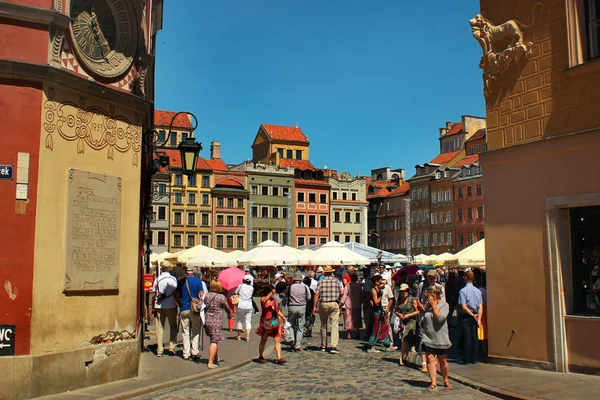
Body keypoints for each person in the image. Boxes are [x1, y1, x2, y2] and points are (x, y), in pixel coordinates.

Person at [420, 285, 452, 392]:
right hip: (428, 337)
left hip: (440, 337)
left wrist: (434, 307)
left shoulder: (444, 305)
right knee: (430, 358)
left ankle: (446, 379)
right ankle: (433, 382)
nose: (426, 296)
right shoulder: (427, 305)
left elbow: (439, 319)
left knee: (442, 359)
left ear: (434, 295)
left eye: (428, 294)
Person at [416, 269, 445, 371]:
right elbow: (417, 299)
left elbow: (443, 302)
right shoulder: (422, 285)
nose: (431, 279)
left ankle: (433, 360)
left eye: (433, 277)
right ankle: (424, 363)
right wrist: (421, 305)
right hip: (424, 315)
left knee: (434, 337)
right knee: (423, 338)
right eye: (429, 277)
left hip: (434, 315)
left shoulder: (440, 287)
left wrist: (434, 305)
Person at [176, 266, 205, 360]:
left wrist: (180, 304)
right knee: (196, 330)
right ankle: (195, 351)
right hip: (195, 309)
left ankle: (186, 353)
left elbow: (176, 294)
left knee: (185, 332)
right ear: (193, 271)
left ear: (185, 272)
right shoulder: (198, 281)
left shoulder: (181, 281)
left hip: (184, 308)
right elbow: (201, 294)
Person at [202, 280, 233, 369]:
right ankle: (210, 362)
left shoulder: (206, 295)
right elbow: (227, 307)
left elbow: (199, 305)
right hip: (216, 321)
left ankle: (215, 358)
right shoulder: (221, 297)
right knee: (214, 341)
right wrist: (230, 315)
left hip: (207, 320)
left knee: (213, 338)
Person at [313, 266, 343, 354]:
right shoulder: (337, 281)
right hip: (334, 303)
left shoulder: (321, 281)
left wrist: (314, 306)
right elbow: (342, 292)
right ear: (332, 273)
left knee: (323, 324)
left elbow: (316, 294)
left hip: (323, 303)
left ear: (324, 273)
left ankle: (323, 345)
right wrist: (338, 298)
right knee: (334, 325)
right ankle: (333, 345)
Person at [256, 286, 288, 364]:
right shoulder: (263, 299)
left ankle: (279, 357)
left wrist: (283, 317)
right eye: (272, 292)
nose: (274, 294)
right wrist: (271, 293)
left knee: (277, 339)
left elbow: (277, 310)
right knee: (264, 340)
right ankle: (260, 356)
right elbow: (263, 302)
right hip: (266, 322)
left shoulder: (275, 300)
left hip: (274, 321)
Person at [152, 261, 178, 357]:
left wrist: (153, 307)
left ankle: (160, 349)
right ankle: (172, 347)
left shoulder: (157, 279)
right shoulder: (173, 279)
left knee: (160, 327)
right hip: (171, 305)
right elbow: (176, 293)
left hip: (159, 305)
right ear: (170, 269)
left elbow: (153, 293)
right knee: (173, 326)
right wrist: (178, 304)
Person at [458, 270, 483, 365]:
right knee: (474, 337)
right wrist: (479, 319)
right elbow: (480, 306)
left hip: (466, 315)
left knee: (467, 337)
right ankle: (474, 358)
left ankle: (466, 358)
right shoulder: (478, 291)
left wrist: (472, 315)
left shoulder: (463, 291)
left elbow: (464, 307)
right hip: (476, 315)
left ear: (465, 278)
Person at [367, 275, 393, 353]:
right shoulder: (374, 290)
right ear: (376, 282)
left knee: (384, 328)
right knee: (376, 329)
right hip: (376, 312)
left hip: (380, 311)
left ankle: (387, 344)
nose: (381, 282)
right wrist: (381, 295)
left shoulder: (378, 289)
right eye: (379, 281)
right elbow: (376, 302)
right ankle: (371, 346)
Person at [286, 273, 311, 351]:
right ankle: (298, 345)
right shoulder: (305, 286)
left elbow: (286, 296)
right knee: (300, 327)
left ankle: (292, 339)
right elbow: (309, 297)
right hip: (301, 307)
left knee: (290, 324)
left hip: (292, 306)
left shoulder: (290, 287)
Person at [395, 283, 418, 366]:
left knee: (404, 339)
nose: (403, 293)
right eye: (401, 291)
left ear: (408, 291)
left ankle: (401, 357)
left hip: (411, 321)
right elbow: (396, 310)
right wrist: (399, 315)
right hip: (402, 322)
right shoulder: (399, 300)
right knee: (405, 339)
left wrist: (409, 315)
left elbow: (417, 311)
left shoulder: (412, 299)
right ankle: (407, 354)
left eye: (405, 291)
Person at [340, 272, 362, 339]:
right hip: (357, 304)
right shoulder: (359, 286)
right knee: (357, 319)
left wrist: (342, 302)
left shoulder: (348, 286)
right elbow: (361, 294)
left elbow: (345, 295)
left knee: (348, 319)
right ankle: (358, 332)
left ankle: (348, 334)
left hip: (348, 304)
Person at [235, 277, 254, 343]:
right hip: (249, 305)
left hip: (241, 305)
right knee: (248, 321)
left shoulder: (240, 286)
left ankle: (239, 336)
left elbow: (235, 292)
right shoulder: (252, 288)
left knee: (240, 320)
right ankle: (248, 337)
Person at [361, 268, 374, 340]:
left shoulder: (366, 281)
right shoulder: (371, 280)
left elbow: (367, 292)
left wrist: (365, 300)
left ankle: (369, 333)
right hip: (371, 301)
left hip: (368, 302)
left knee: (367, 319)